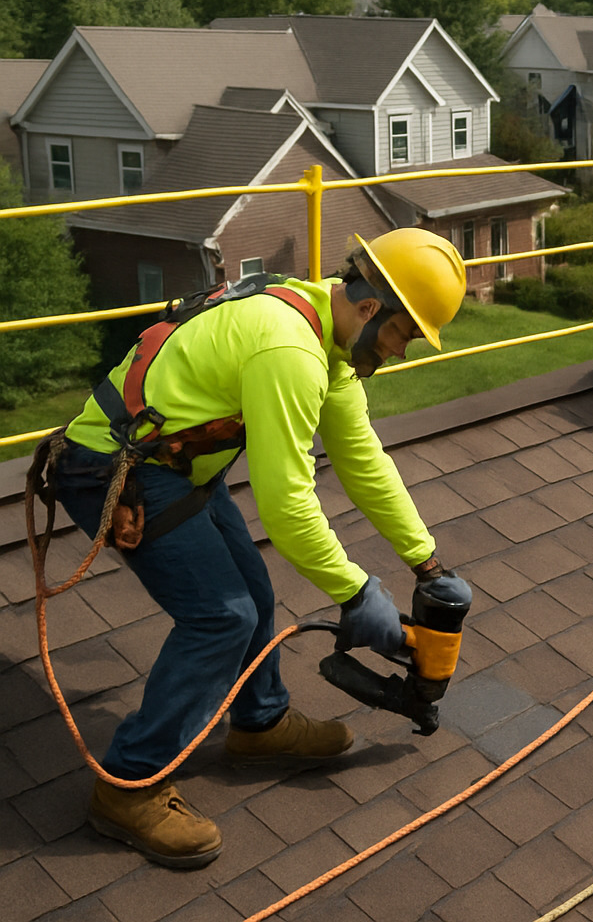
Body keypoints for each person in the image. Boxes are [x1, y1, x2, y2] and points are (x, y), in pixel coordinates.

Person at [47, 227, 470, 868]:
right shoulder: (290, 350)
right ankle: (128, 786)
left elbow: (362, 459)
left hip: (174, 461)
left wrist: (425, 560)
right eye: (403, 334)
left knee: (254, 589)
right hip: (116, 468)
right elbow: (287, 505)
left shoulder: (323, 339)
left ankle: (259, 724)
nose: (401, 352)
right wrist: (356, 590)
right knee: (222, 616)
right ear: (367, 307)